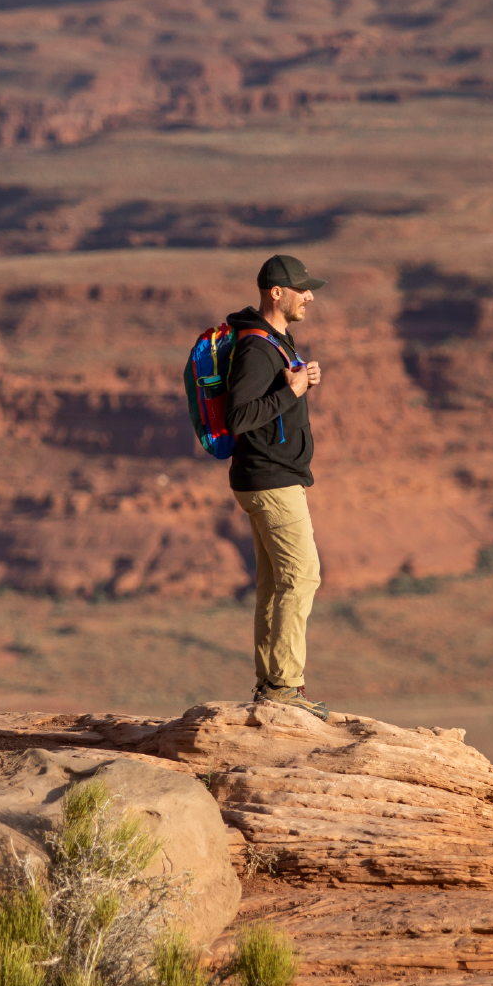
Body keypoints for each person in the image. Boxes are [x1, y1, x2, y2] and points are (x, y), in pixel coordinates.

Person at [225, 254, 329, 721]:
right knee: (302, 576)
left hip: (269, 478)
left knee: (273, 585)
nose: (310, 296)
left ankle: (271, 685)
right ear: (276, 293)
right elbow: (240, 417)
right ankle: (285, 686)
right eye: (302, 289)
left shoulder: (276, 341)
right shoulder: (256, 348)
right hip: (272, 480)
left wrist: (301, 382)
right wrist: (292, 392)